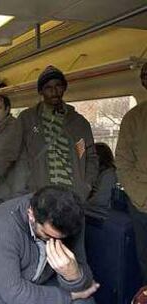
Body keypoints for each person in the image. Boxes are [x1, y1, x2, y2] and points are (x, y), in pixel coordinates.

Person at [0, 185, 99, 304]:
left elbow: (84, 273)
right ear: (31, 214)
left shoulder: (73, 218)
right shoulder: (2, 225)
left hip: (43, 275)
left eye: (61, 239)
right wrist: (70, 296)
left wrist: (74, 275)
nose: (53, 242)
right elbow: (14, 293)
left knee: (85, 301)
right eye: (48, 236)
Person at [3, 65, 98, 200]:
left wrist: (86, 185)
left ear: (64, 88)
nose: (54, 91)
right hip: (40, 194)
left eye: (58, 85)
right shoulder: (28, 119)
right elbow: (11, 150)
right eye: (48, 87)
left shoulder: (80, 124)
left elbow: (89, 156)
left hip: (72, 195)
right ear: (41, 91)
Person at [115, 62, 147, 284]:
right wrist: (141, 197)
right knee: (145, 258)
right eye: (145, 75)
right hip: (141, 203)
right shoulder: (134, 118)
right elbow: (123, 162)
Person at [87, 142, 117, 209]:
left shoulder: (109, 175)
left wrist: (84, 203)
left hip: (101, 211)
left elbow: (100, 199)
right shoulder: (98, 173)